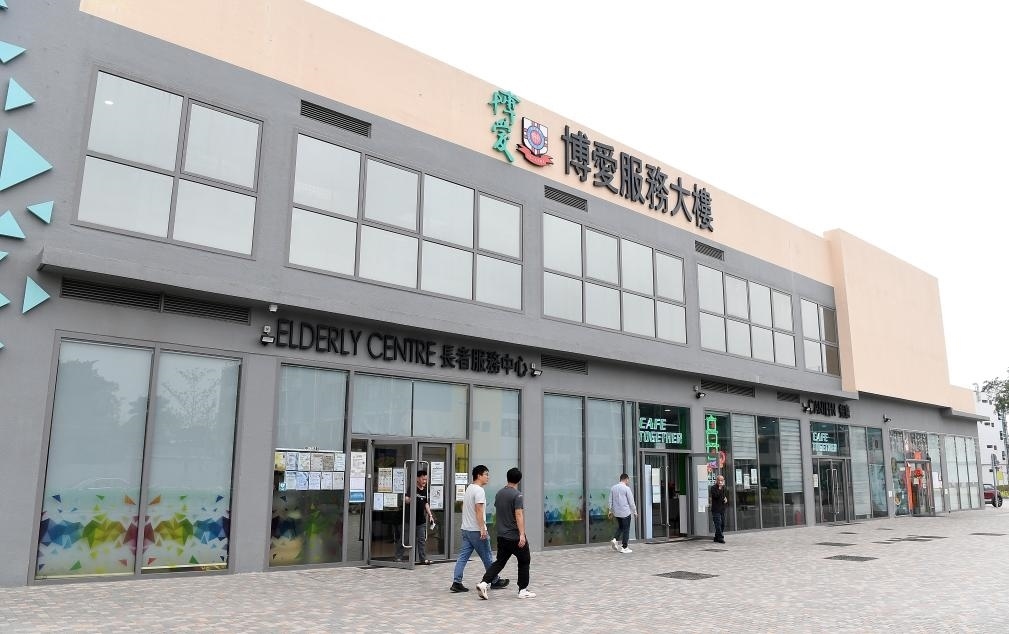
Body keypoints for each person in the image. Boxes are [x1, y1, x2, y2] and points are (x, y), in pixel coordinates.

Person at [476, 467, 535, 599]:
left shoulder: (499, 493)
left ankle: (484, 583)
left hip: (502, 536)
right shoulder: (517, 495)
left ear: (507, 478)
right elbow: (518, 514)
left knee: (500, 562)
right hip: (514, 537)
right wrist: (522, 534)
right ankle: (523, 590)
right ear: (519, 480)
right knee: (524, 560)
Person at [450, 465, 508, 593]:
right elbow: (479, 510)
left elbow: (465, 508)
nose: (488, 477)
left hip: (466, 529)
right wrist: (482, 528)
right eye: (486, 474)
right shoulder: (479, 490)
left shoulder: (469, 488)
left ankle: (456, 582)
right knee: (487, 556)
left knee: (463, 557)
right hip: (476, 530)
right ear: (479, 475)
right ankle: (495, 580)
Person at [396, 469, 434, 564]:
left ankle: (422, 559)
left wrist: (430, 515)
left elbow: (426, 504)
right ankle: (398, 557)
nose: (424, 481)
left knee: (421, 540)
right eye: (423, 479)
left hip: (421, 520)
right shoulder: (412, 488)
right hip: (410, 519)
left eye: (426, 479)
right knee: (405, 539)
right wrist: (410, 498)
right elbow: (406, 499)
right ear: (417, 479)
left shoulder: (425, 491)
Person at [607, 473, 637, 553]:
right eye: (628, 480)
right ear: (626, 479)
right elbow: (631, 502)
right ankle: (624, 547)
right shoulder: (627, 488)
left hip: (617, 513)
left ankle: (615, 539)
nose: (628, 481)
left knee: (621, 527)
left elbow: (610, 500)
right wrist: (635, 511)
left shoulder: (613, 488)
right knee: (626, 529)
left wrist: (610, 510)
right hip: (625, 512)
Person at [709, 474, 728, 544]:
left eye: (721, 480)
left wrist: (725, 499)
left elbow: (723, 496)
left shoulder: (724, 488)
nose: (720, 482)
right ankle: (720, 537)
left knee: (723, 524)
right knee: (718, 523)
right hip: (715, 509)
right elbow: (716, 496)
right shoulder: (713, 488)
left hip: (722, 509)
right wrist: (719, 488)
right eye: (719, 480)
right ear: (716, 480)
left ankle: (716, 537)